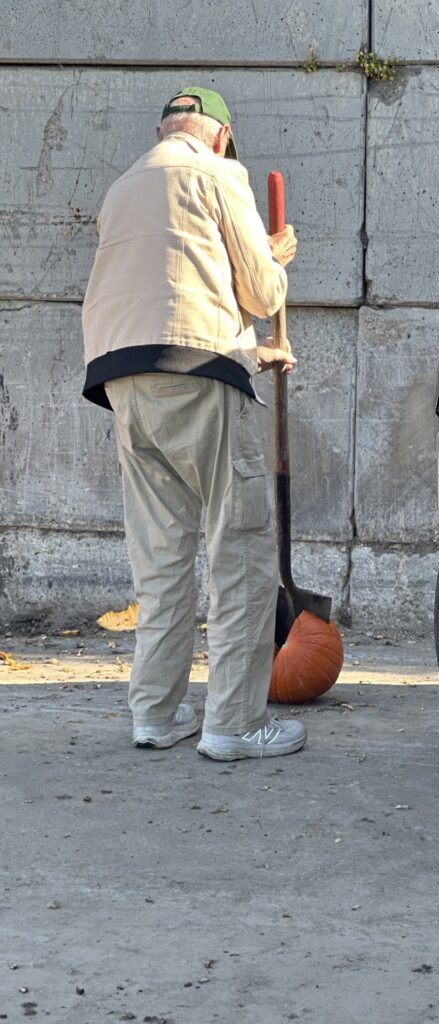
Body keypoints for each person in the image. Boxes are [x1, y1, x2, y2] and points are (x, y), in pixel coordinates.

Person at [82, 87, 307, 761]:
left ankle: (155, 712)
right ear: (219, 137)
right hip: (201, 375)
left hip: (124, 378)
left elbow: (174, 284)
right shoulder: (218, 173)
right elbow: (259, 293)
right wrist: (277, 259)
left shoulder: (124, 187)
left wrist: (251, 347)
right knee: (238, 551)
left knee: (161, 555)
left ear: (163, 131)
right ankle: (234, 724)